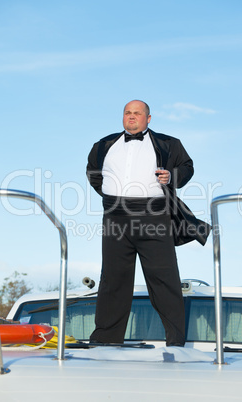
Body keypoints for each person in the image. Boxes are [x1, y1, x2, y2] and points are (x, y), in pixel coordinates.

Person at [86, 100, 210, 346]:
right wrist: (114, 195)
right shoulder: (103, 145)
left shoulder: (168, 143)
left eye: (137, 113)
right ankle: (106, 340)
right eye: (127, 113)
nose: (131, 117)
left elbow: (187, 167)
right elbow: (93, 173)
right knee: (113, 278)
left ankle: (175, 341)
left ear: (148, 118)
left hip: (154, 214)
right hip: (115, 215)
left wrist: (172, 176)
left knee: (164, 278)